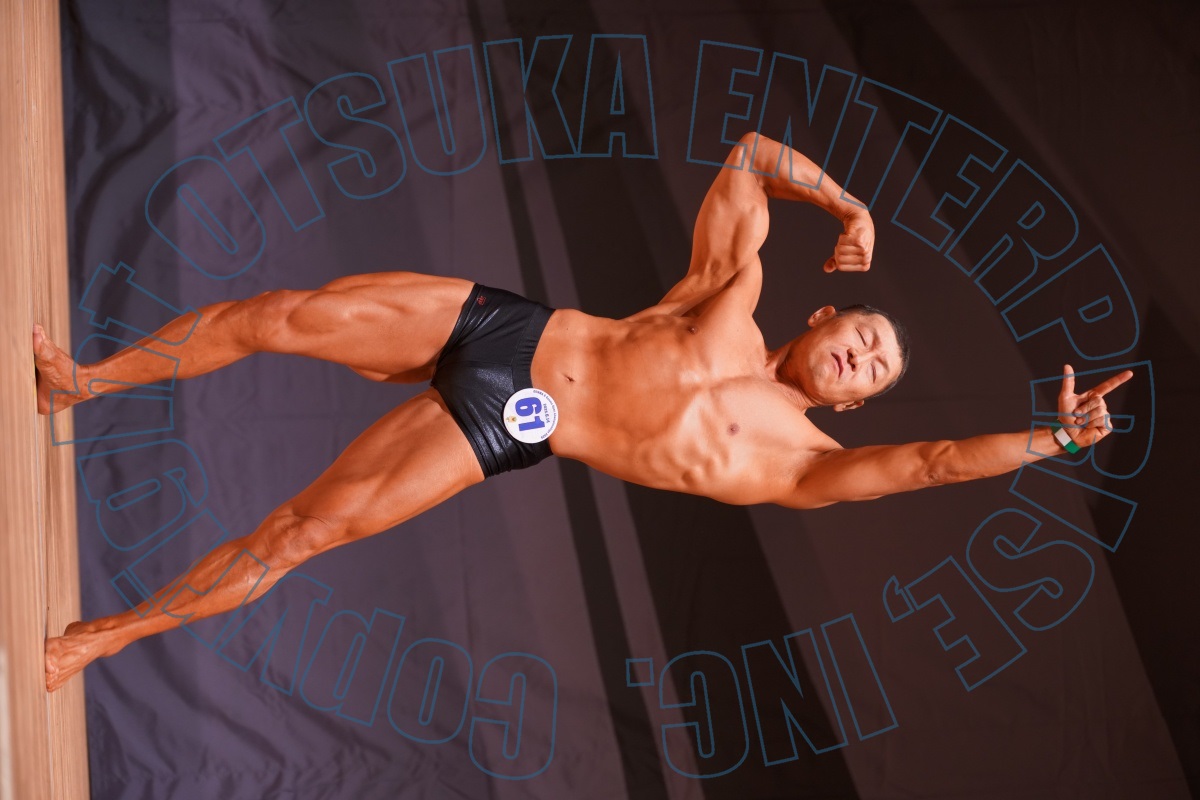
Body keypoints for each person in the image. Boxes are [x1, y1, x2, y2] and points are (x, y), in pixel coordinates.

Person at [39, 133, 1130, 691]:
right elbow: (751, 157)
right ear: (825, 311)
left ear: (857, 399)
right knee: (280, 314)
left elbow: (934, 463)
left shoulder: (801, 463)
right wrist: (849, 202)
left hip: (507, 423)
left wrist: (1057, 436)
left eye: (877, 372)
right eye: (867, 333)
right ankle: (85, 381)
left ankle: (101, 639)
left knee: (299, 534)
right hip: (510, 329)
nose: (865, 355)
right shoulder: (729, 291)